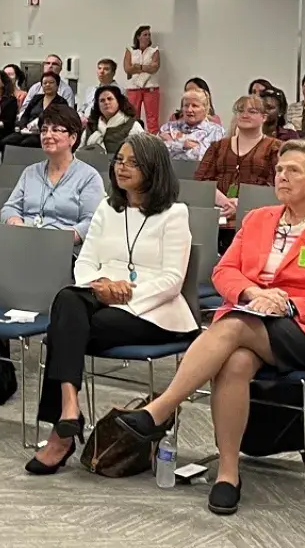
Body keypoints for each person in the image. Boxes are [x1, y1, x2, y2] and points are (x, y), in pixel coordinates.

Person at [117, 140, 305, 516]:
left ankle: (161, 409)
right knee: (234, 363)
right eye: (279, 170)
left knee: (231, 328)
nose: (282, 176)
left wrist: (287, 302)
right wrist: (251, 292)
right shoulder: (258, 219)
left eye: (293, 170)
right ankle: (228, 473)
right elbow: (224, 272)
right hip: (253, 316)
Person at [26, 135, 195, 474]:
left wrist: (124, 293)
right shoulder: (107, 207)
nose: (122, 167)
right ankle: (69, 410)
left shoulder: (175, 214)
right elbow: (85, 263)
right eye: (120, 160)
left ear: (153, 169)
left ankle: (62, 430)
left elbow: (172, 281)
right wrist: (100, 286)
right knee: (68, 299)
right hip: (100, 299)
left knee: (64, 328)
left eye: (132, 162)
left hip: (152, 312)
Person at [1, 106, 103, 242]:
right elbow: (10, 208)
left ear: (72, 138)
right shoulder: (30, 172)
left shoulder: (89, 177)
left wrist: (59, 239)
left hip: (64, 247)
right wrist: (17, 225)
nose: (47, 135)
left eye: (55, 130)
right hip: (24, 241)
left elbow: (91, 221)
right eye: (44, 130)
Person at [198, 95, 280, 234]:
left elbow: (275, 185)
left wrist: (241, 202)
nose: (245, 115)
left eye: (252, 111)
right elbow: (201, 180)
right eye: (240, 111)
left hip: (257, 218)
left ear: (264, 117)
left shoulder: (275, 147)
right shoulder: (218, 146)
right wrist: (224, 201)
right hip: (218, 216)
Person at [160, 87, 226, 163]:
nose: (189, 110)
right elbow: (157, 153)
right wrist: (183, 145)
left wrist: (171, 143)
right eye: (186, 105)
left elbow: (205, 158)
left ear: (205, 108)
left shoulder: (216, 131)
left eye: (194, 106)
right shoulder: (168, 127)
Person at [124, 25, 163, 131]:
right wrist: (146, 67)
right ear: (138, 37)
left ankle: (153, 142)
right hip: (133, 88)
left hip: (150, 88)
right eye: (145, 35)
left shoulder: (154, 51)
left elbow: (154, 67)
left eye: (149, 35)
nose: (147, 37)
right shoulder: (130, 50)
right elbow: (127, 68)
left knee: (152, 118)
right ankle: (134, 139)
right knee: (132, 117)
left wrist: (138, 67)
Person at [80, 84, 137, 155]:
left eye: (110, 99)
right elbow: (80, 152)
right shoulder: (91, 126)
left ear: (118, 102)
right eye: (102, 100)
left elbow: (141, 153)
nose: (106, 102)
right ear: (98, 105)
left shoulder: (132, 125)